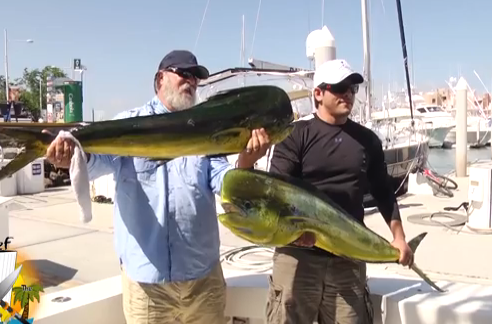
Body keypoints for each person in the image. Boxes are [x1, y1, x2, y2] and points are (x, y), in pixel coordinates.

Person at [44, 50, 271, 324]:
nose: (191, 81)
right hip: (147, 287)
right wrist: (71, 158)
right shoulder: (130, 123)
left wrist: (245, 163)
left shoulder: (207, 130)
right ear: (160, 79)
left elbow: (223, 182)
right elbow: (94, 163)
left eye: (196, 77)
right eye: (183, 73)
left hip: (203, 280)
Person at [265, 59, 413, 324]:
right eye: (340, 87)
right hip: (298, 255)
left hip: (347, 257)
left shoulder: (367, 140)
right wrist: (296, 233)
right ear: (318, 93)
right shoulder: (296, 134)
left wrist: (399, 237)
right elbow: (278, 190)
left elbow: (383, 192)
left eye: (352, 88)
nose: (348, 93)